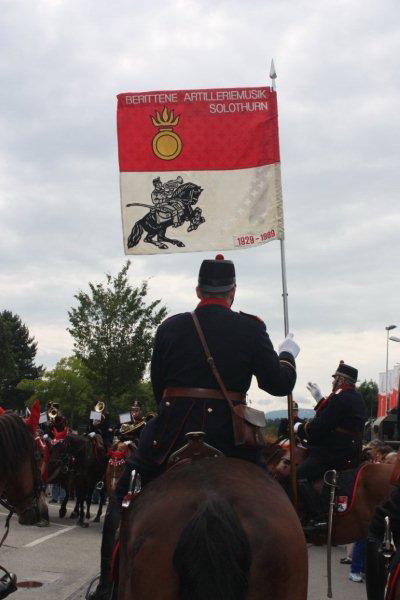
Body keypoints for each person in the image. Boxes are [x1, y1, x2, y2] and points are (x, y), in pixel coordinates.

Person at [87, 254, 300, 600]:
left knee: (122, 498)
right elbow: (279, 384)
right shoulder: (251, 327)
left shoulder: (171, 327)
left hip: (172, 435)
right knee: (271, 496)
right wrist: (287, 355)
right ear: (233, 292)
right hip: (232, 440)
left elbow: (159, 388)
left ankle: (107, 588)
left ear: (199, 291)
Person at [296, 361, 366, 533]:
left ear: (341, 380)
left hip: (334, 451)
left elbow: (322, 425)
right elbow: (334, 416)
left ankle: (319, 516)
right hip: (349, 450)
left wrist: (301, 429)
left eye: (335, 379)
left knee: (298, 476)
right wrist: (320, 400)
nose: (333, 382)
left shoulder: (339, 397)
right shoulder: (356, 397)